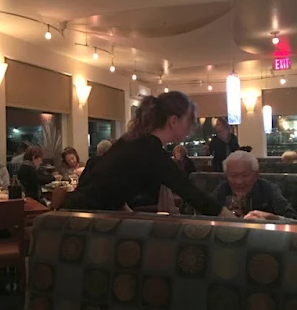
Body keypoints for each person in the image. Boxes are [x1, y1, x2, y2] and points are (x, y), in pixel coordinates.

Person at [63, 92, 234, 217]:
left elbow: (99, 174)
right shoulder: (150, 151)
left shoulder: (134, 142)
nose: (193, 126)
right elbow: (190, 192)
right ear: (173, 121)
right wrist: (229, 218)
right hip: (80, 222)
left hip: (73, 215)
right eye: (190, 120)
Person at [211, 151, 297, 220]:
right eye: (233, 175)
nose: (239, 181)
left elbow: (291, 218)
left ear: (256, 174)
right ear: (226, 175)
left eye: (245, 175)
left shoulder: (268, 188)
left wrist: (271, 218)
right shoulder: (222, 189)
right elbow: (204, 214)